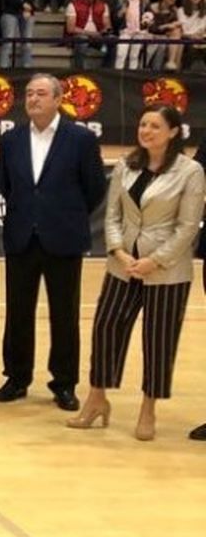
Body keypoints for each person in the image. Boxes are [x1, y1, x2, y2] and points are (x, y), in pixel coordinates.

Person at [70, 105, 203, 439]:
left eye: (155, 126)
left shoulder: (190, 171)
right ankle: (97, 399)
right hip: (122, 264)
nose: (146, 131)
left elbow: (188, 227)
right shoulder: (126, 166)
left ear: (173, 132)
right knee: (106, 328)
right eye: (143, 124)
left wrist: (154, 260)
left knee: (158, 340)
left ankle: (148, 409)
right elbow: (111, 215)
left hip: (166, 271)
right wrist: (117, 251)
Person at [0, 74, 108, 409]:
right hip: (21, 237)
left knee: (64, 314)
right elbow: (7, 185)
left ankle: (64, 383)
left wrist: (62, 215)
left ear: (59, 99)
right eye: (29, 94)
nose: (33, 99)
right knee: (17, 313)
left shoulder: (81, 139)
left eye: (41, 94)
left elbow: (95, 189)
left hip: (64, 237)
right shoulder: (11, 139)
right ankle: (16, 378)